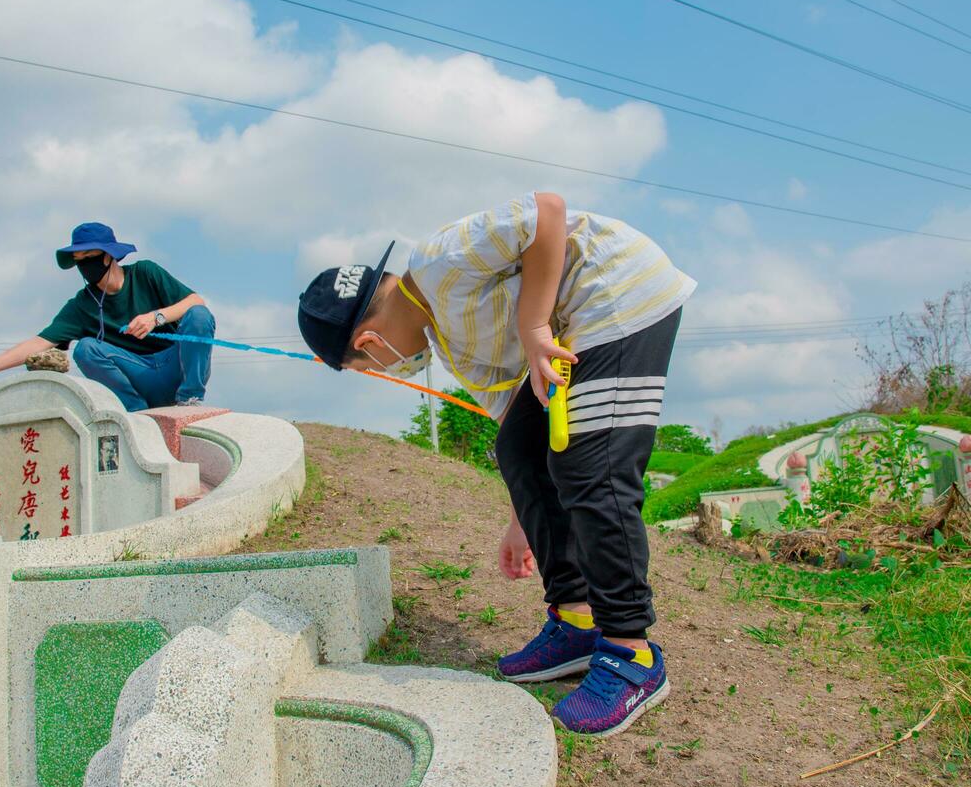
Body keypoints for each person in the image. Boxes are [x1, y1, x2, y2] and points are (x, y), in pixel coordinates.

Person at [297, 193, 694, 737]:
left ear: (369, 343)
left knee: (590, 467)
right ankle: (578, 623)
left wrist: (533, 328)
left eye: (370, 366)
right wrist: (522, 517)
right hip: (576, 329)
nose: (390, 369)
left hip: (617, 292)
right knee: (517, 447)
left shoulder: (437, 262)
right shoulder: (453, 346)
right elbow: (516, 421)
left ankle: (632, 653)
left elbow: (546, 215)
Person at [0, 222, 215, 411]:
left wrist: (155, 317)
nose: (85, 265)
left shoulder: (145, 273)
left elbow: (196, 302)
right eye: (79, 260)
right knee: (85, 348)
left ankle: (189, 399)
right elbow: (39, 342)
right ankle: (135, 411)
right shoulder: (82, 305)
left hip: (175, 364)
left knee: (199, 316)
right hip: (137, 373)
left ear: (108, 255)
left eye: (90, 257)